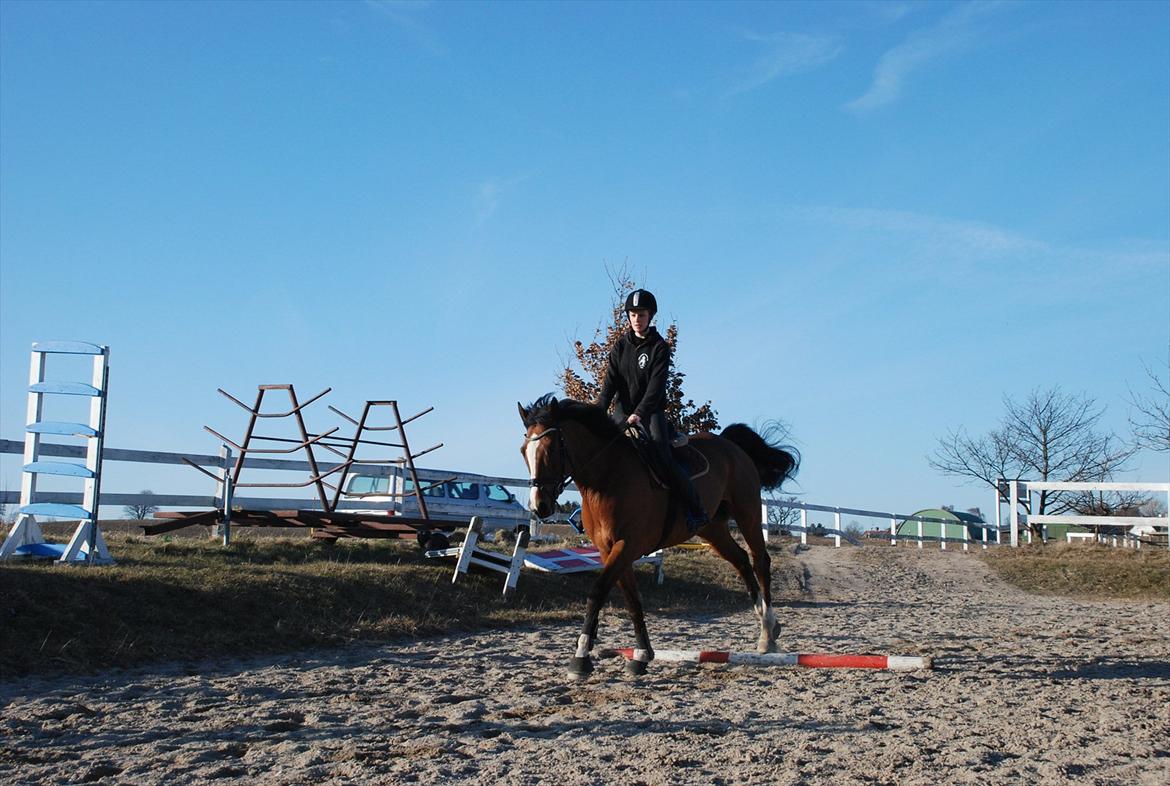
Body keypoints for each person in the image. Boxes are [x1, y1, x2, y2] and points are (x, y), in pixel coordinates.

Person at [597, 288, 709, 532]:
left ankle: (695, 509)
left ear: (650, 316)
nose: (637, 319)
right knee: (600, 449)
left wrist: (639, 414)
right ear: (628, 317)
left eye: (642, 314)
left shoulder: (659, 347)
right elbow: (609, 386)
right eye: (633, 314)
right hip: (622, 411)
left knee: (662, 454)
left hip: (650, 413)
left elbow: (655, 388)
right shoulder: (619, 348)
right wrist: (596, 413)